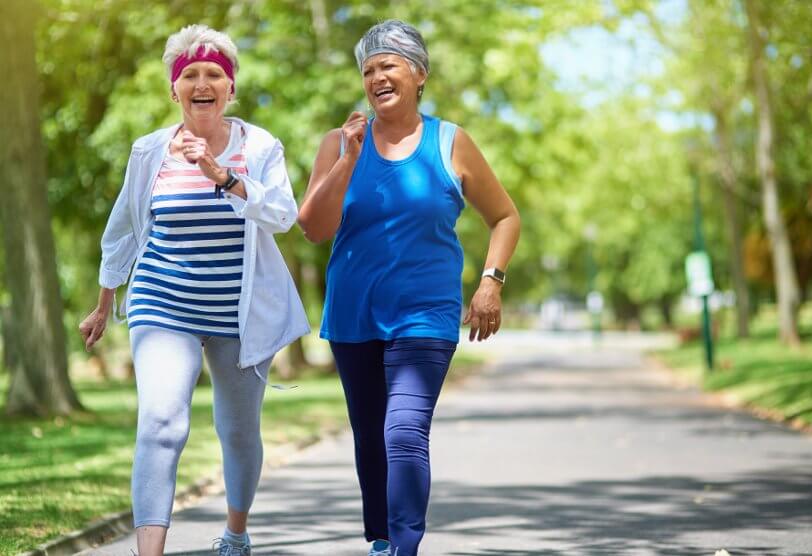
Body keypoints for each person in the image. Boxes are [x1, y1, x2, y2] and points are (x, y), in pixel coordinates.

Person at [78, 24, 309, 556]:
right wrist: (104, 303)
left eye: (214, 75)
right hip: (163, 302)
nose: (202, 83)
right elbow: (123, 230)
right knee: (161, 423)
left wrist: (221, 175)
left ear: (231, 88)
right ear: (173, 89)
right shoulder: (149, 151)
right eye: (190, 75)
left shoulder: (260, 146)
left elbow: (282, 215)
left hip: (239, 311)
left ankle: (236, 533)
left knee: (238, 431)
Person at [298, 19, 521, 556]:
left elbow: (505, 217)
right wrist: (349, 161)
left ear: (419, 74)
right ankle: (382, 541)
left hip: (425, 315)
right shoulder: (339, 143)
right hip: (354, 315)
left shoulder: (450, 142)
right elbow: (313, 228)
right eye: (368, 70)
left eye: (388, 66)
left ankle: (404, 547)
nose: (376, 77)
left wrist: (491, 283)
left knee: (402, 432)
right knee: (371, 438)